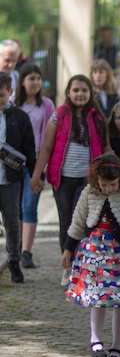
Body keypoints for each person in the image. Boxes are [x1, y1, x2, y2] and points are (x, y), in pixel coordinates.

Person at [63, 154, 120, 357]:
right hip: (94, 252)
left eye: (112, 184)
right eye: (103, 185)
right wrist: (68, 249)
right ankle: (96, 339)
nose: (108, 189)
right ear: (96, 181)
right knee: (96, 297)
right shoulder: (89, 193)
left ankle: (117, 346)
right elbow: (77, 222)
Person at [30, 75, 111, 286]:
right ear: (68, 93)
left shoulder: (97, 117)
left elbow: (105, 148)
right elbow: (46, 148)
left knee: (84, 223)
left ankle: (82, 266)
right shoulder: (58, 116)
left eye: (84, 90)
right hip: (63, 179)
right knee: (66, 222)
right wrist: (36, 175)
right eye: (76, 90)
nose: (80, 94)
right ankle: (68, 267)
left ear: (90, 93)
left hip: (88, 180)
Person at [14, 63, 55, 269]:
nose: (36, 82)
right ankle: (17, 246)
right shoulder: (13, 104)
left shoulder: (46, 104)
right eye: (31, 78)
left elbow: (49, 138)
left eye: (39, 78)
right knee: (15, 209)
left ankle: (26, 252)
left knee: (29, 207)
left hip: (36, 164)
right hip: (12, 164)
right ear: (22, 81)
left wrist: (43, 167)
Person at [0, 72, 36, 283]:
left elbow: (29, 149)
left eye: (2, 95)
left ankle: (14, 259)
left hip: (11, 180)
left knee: (13, 222)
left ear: (11, 92)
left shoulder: (21, 118)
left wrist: (35, 176)